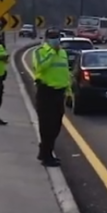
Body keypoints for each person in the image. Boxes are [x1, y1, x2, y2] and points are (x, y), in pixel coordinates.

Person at [32, 29, 71, 167]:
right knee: (46, 126)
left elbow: (65, 72)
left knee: (56, 125)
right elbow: (41, 66)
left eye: (57, 37)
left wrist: (69, 90)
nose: (56, 40)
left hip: (59, 93)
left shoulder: (62, 52)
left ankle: (45, 151)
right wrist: (51, 52)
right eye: (53, 38)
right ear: (47, 39)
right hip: (46, 92)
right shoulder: (40, 51)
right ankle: (46, 156)